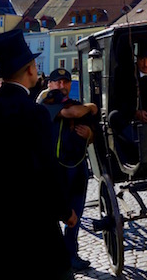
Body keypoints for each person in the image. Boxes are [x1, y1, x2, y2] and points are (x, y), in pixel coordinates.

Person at [0, 30, 77, 280]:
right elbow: (48, 169)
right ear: (31, 69)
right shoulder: (34, 113)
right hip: (30, 225)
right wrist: (65, 211)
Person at [39, 68, 97, 272]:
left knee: (77, 212)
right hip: (56, 168)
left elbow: (92, 133)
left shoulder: (74, 102)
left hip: (78, 165)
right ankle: (53, 257)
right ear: (50, 84)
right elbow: (72, 113)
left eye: (66, 82)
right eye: (58, 82)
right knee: (54, 212)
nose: (62, 86)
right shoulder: (46, 102)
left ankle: (71, 254)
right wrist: (90, 106)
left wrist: (90, 133)